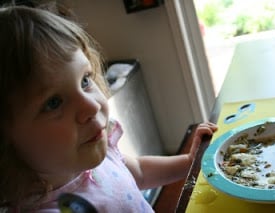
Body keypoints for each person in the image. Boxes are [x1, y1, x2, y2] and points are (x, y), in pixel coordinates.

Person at [0, 5, 218, 212]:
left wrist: (189, 163)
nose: (92, 105)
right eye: (53, 103)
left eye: (85, 80)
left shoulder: (91, 154)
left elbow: (139, 172)